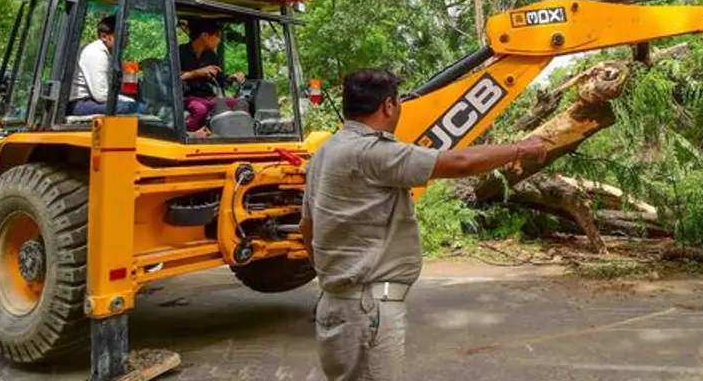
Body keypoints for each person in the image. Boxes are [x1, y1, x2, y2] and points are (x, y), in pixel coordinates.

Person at [299, 68, 548, 381]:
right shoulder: (372, 152)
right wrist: (521, 148)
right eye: (400, 102)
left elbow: (306, 227)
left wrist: (333, 277)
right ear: (389, 106)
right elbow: (460, 163)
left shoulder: (323, 154)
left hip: (334, 304)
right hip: (368, 310)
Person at [179, 19, 246, 131]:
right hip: (186, 97)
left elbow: (220, 80)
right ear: (205, 36)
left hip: (208, 97)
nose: (219, 41)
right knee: (200, 110)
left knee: (238, 104)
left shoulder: (211, 56)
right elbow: (169, 76)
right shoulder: (179, 52)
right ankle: (189, 135)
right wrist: (196, 73)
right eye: (217, 36)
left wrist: (231, 77)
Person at [68, 14, 140, 116]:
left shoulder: (110, 54)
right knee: (135, 108)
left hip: (92, 100)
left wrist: (136, 70)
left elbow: (120, 82)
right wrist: (129, 101)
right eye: (122, 35)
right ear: (104, 36)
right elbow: (101, 95)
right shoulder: (96, 53)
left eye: (127, 34)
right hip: (80, 103)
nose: (127, 39)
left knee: (135, 105)